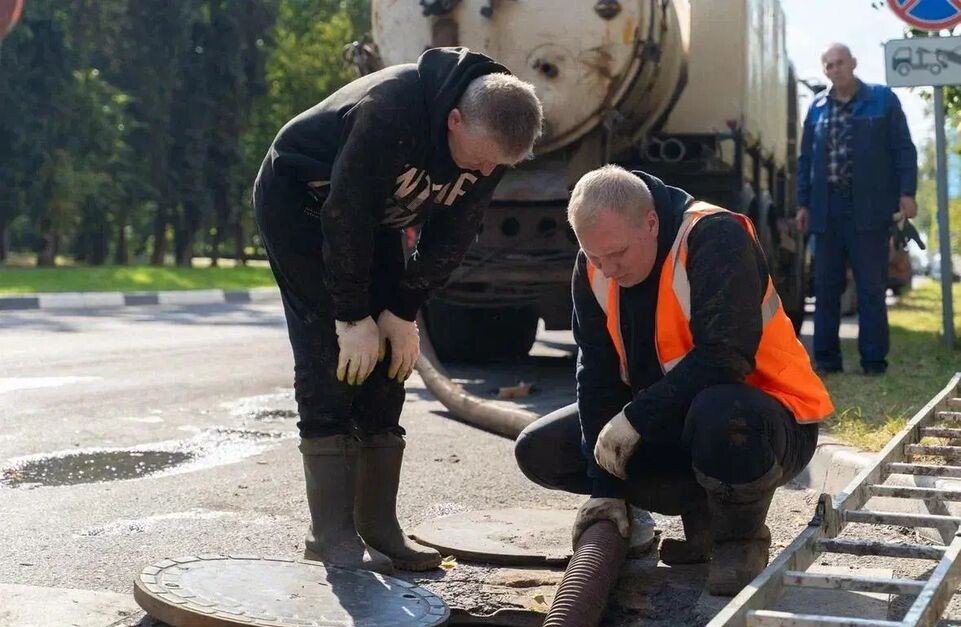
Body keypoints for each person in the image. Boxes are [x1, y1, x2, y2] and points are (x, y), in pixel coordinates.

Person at [253, 47, 543, 574]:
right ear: (454, 120)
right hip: (302, 207)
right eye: (482, 159)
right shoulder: (389, 109)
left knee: (392, 360)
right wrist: (350, 317)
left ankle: (378, 524)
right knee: (330, 357)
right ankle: (330, 535)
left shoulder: (494, 137)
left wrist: (402, 311)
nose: (485, 171)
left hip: (376, 217)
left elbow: (454, 231)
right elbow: (345, 213)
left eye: (496, 166)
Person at [514, 166, 833, 595]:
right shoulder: (594, 266)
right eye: (595, 257)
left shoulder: (715, 236)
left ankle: (740, 538)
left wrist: (636, 419)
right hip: (677, 419)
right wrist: (605, 488)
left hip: (764, 423)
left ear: (651, 222)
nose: (607, 270)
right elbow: (596, 374)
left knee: (721, 415)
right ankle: (694, 512)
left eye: (617, 254)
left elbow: (725, 358)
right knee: (540, 450)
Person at [796, 43, 918, 376]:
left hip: (870, 208)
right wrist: (803, 203)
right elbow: (805, 160)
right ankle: (827, 360)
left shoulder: (882, 100)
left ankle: (873, 362)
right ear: (825, 70)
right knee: (826, 288)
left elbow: (903, 149)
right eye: (829, 65)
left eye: (840, 63)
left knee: (871, 288)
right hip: (826, 210)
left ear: (853, 63)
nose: (835, 69)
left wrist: (907, 193)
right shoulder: (817, 108)